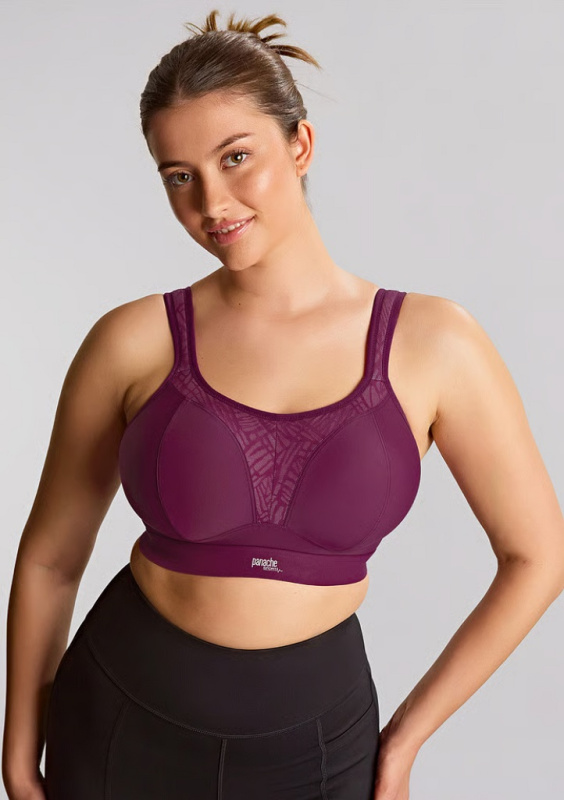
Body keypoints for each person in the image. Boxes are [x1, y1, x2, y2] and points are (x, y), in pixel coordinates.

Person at [3, 8, 564, 800]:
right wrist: (18, 752)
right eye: (179, 176)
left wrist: (405, 740)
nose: (212, 202)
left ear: (300, 145)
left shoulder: (435, 343)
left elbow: (539, 557)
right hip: (119, 722)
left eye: (237, 157)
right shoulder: (133, 341)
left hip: (317, 744)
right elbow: (51, 559)